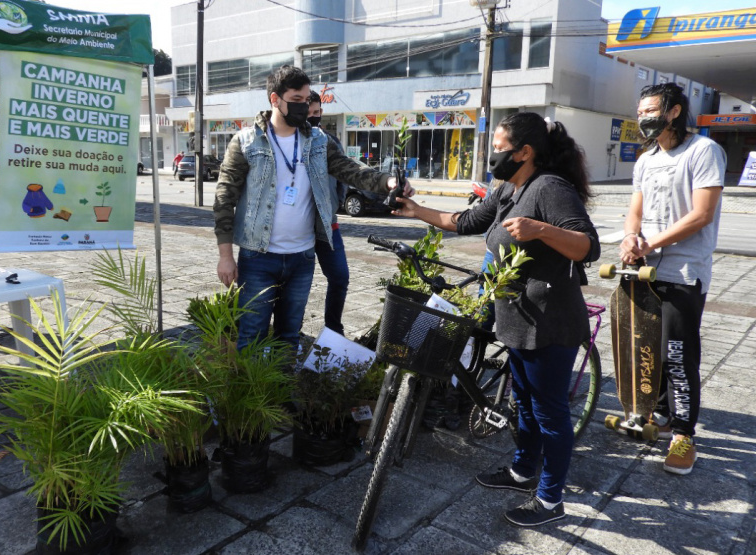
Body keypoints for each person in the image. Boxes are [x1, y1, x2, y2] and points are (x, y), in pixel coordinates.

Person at [392, 112, 600, 527]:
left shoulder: (550, 188)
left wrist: (540, 229)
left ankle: (550, 501)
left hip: (549, 321)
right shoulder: (508, 187)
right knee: (523, 403)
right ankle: (523, 473)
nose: (494, 155)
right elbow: (465, 222)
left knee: (550, 414)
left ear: (525, 152)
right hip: (516, 318)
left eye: (501, 147)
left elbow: (587, 246)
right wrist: (415, 210)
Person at [214, 65, 412, 353]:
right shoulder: (246, 142)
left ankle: (283, 396)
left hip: (301, 257)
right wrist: (225, 256)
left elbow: (349, 170)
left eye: (306, 100)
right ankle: (253, 396)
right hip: (257, 257)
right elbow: (224, 198)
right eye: (296, 99)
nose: (304, 107)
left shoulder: (318, 141)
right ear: (274, 99)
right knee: (252, 337)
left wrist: (388, 181)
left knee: (289, 336)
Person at [621, 83, 725, 476]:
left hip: (684, 270)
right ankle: (662, 416)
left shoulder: (703, 151)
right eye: (640, 110)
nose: (643, 117)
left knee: (678, 354)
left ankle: (684, 434)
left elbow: (702, 214)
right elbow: (635, 210)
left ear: (674, 112)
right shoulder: (646, 159)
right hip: (647, 269)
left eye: (650, 110)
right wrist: (633, 237)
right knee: (652, 350)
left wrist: (649, 244)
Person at [307, 90, 349, 335]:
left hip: (328, 225)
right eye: (308, 113)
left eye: (316, 112)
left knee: (340, 277)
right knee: (297, 284)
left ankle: (333, 329)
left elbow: (344, 175)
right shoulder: (295, 141)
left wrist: (335, 204)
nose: (313, 117)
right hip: (301, 227)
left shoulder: (330, 141)